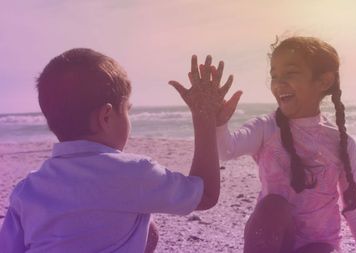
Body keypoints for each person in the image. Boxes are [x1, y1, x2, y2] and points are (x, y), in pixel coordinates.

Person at [0, 49, 233, 252]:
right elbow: (205, 194)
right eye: (127, 110)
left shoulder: (28, 189)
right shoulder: (135, 173)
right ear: (106, 116)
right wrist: (204, 117)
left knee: (147, 229)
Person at [215, 36, 356, 253]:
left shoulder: (342, 144)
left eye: (290, 73)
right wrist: (218, 123)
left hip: (318, 247)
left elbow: (355, 209)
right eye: (274, 76)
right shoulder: (266, 128)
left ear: (324, 81)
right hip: (271, 243)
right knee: (272, 207)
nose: (279, 83)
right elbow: (226, 150)